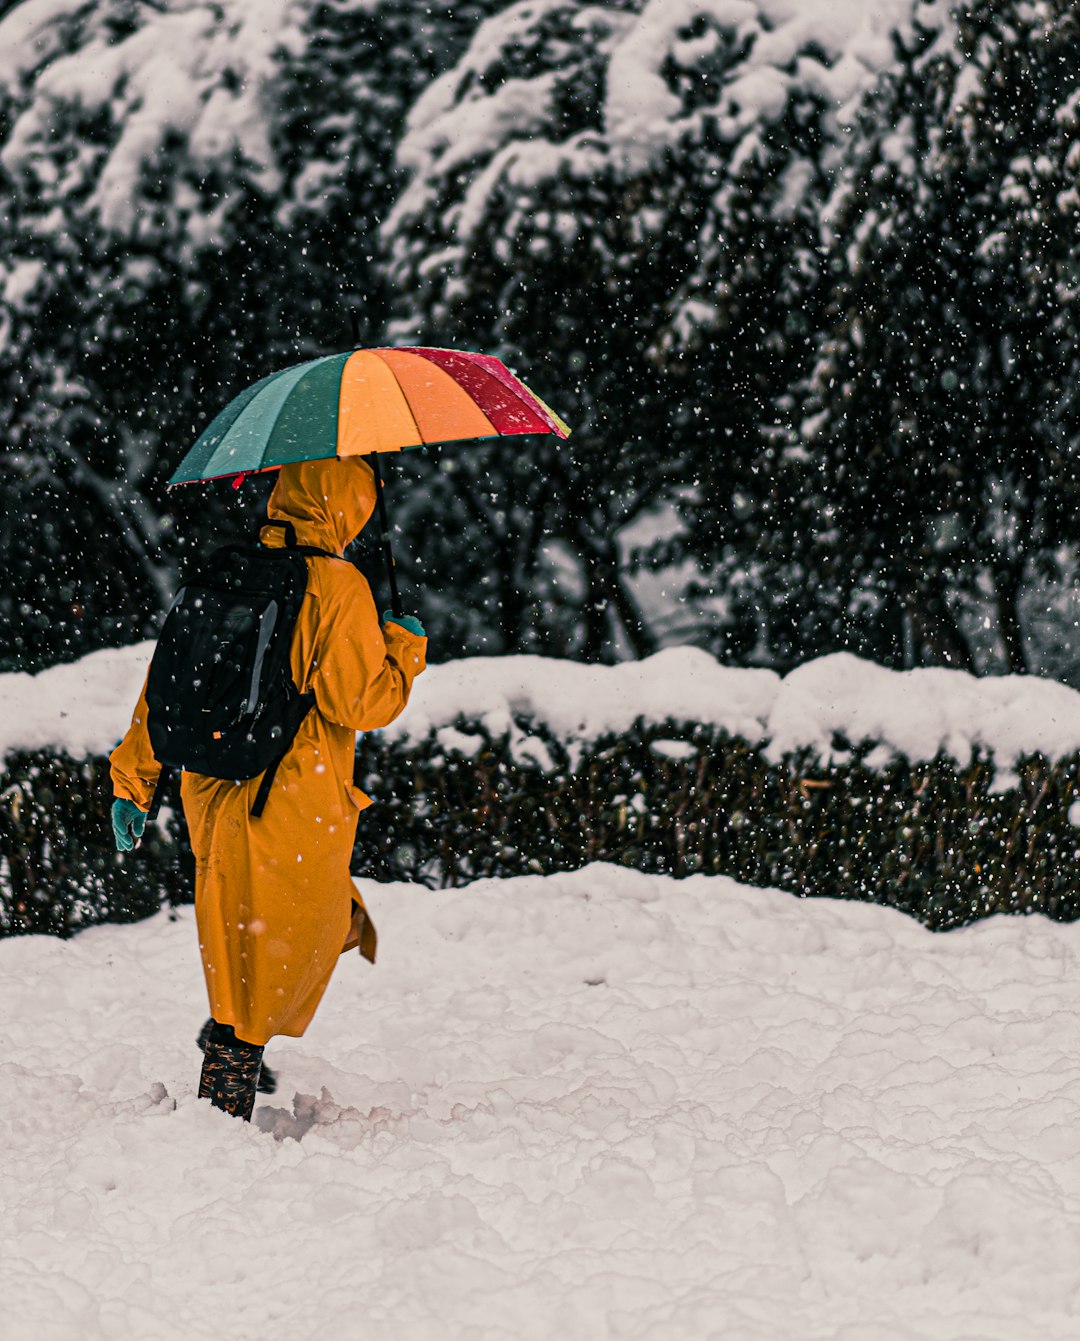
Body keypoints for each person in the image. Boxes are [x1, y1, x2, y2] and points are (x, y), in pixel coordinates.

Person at [109, 456, 427, 1121]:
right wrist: (403, 652)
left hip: (214, 788)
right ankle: (222, 1105)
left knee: (248, 935)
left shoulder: (232, 569)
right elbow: (359, 701)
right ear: (345, 505)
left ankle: (229, 1045)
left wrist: (132, 781)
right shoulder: (337, 586)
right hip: (286, 794)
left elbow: (167, 682)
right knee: (292, 937)